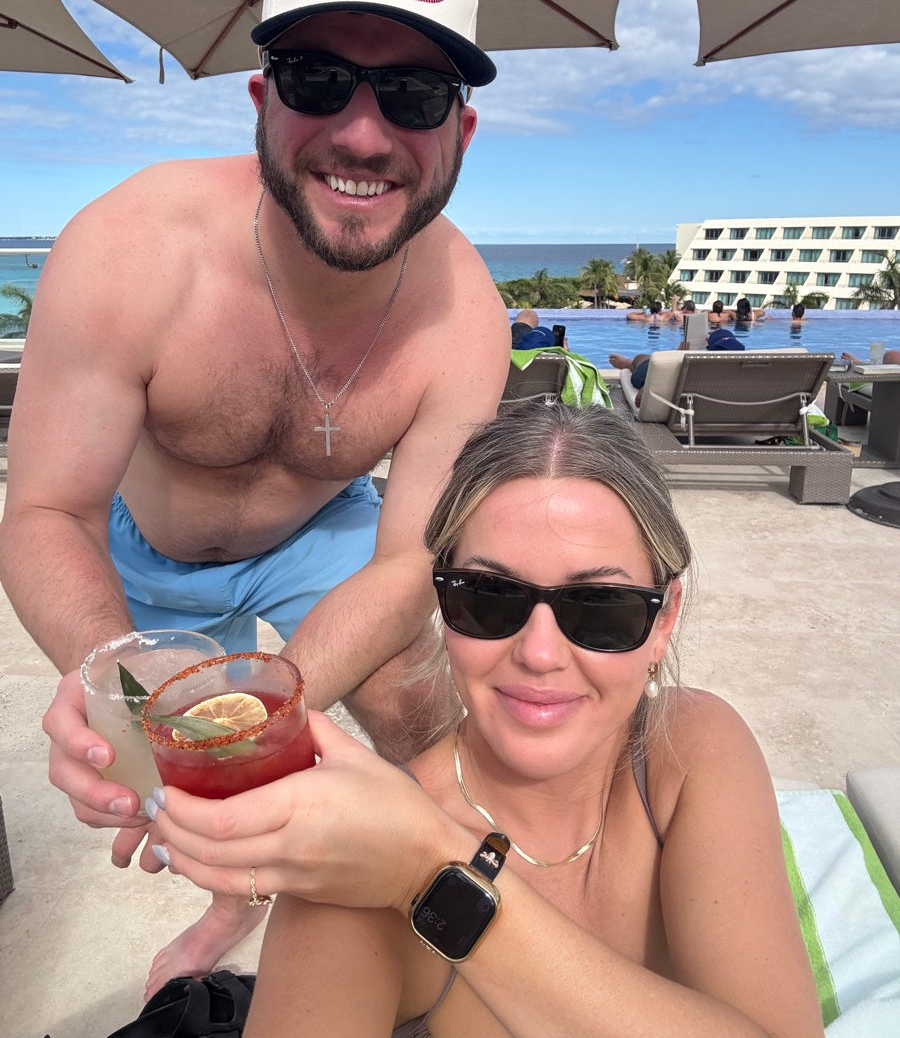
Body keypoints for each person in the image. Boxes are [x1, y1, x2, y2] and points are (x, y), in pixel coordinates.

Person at [0, 0, 511, 996]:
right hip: (151, 536)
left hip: (325, 526)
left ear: (460, 134)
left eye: (414, 96)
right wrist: (117, 668)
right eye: (318, 80)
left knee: (423, 702)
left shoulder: (466, 313)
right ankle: (235, 897)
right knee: (171, 786)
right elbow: (47, 512)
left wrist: (273, 712)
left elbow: (410, 560)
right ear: (262, 102)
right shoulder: (128, 251)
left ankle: (427, 905)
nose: (364, 136)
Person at [147, 403, 823, 1038]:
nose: (539, 653)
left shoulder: (690, 750)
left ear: (663, 619)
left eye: (600, 608)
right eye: (490, 597)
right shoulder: (353, 866)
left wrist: (432, 873)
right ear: (442, 601)